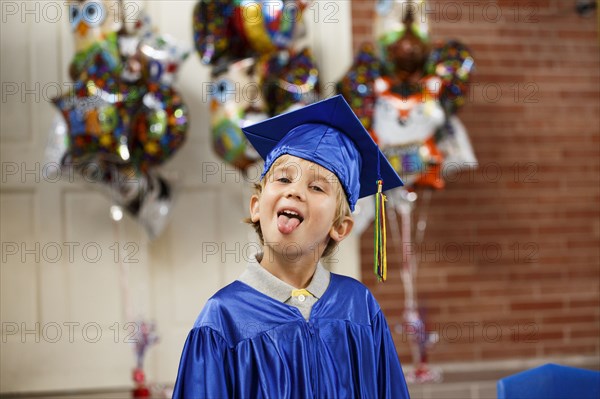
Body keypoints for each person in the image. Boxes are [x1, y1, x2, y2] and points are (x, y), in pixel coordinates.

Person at [173, 95, 410, 398]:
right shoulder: (224, 319)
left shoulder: (359, 308)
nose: (295, 192)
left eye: (316, 187)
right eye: (283, 179)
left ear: (340, 227)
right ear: (257, 206)